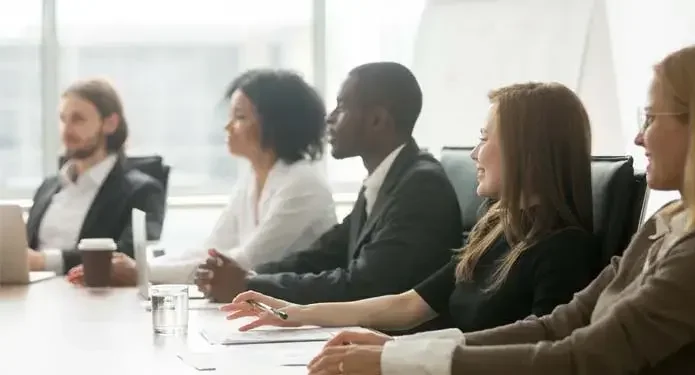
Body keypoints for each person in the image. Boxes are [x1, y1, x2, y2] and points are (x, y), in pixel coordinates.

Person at [306, 43, 695, 375]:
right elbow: (560, 324)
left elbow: (582, 357)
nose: (638, 137)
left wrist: (397, 361)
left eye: (649, 118)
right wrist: (397, 350)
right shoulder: (664, 225)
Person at [222, 82, 599, 334]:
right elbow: (406, 305)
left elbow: (539, 354)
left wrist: (398, 355)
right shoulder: (497, 232)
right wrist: (294, 313)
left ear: (527, 152)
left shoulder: (565, 251)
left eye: (484, 138)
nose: (474, 153)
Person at [195, 62, 463, 304]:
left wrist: (251, 284)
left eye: (342, 107)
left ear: (376, 120)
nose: (329, 118)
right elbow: (323, 256)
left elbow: (363, 284)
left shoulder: (420, 186)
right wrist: (250, 277)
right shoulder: (386, 179)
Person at [66, 70, 338, 286]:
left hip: (299, 312)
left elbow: (242, 262)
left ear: (277, 124)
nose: (228, 127)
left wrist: (142, 272)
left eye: (240, 117)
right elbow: (212, 251)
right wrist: (142, 268)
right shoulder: (252, 178)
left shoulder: (303, 184)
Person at [25, 78, 165, 278]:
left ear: (110, 123)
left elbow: (127, 257)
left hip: (93, 298)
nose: (66, 130)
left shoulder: (142, 191)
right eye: (63, 119)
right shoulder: (48, 187)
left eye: (78, 119)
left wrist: (44, 261)